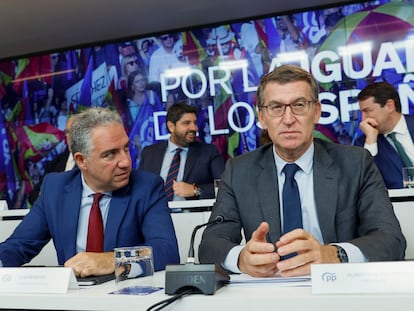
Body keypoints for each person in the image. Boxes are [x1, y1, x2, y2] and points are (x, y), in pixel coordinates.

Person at [199, 65, 406, 278]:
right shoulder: (239, 170)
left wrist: (333, 255)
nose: (288, 119)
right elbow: (210, 245)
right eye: (276, 107)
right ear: (262, 117)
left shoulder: (356, 163)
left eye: (299, 105)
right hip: (268, 296)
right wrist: (241, 258)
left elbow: (391, 240)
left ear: (316, 111)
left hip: (337, 291)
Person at [0, 107, 179, 277]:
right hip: (72, 299)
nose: (125, 162)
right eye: (110, 154)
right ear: (81, 160)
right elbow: (18, 246)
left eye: (126, 148)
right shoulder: (55, 188)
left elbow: (166, 250)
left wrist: (111, 260)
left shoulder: (147, 187)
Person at [139, 103, 225, 200]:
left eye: (195, 123)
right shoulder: (149, 153)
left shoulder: (209, 152)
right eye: (186, 123)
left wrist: (195, 190)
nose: (194, 128)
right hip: (156, 213)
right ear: (171, 126)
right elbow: (140, 189)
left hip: (193, 213)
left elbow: (224, 187)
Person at [355, 81, 414, 189]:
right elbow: (362, 184)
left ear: (389, 106)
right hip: (398, 204)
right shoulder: (364, 143)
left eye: (367, 111)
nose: (363, 119)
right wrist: (371, 142)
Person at [28, 116, 75, 205]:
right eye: (68, 132)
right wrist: (44, 199)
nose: (70, 137)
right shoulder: (55, 163)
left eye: (74, 132)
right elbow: (33, 195)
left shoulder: (92, 163)